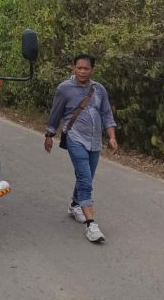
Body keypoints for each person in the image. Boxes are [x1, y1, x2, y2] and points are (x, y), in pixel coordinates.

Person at [43, 54, 117, 243]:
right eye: (79, 68)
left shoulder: (99, 89)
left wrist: (111, 136)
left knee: (88, 175)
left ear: (92, 69)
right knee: (85, 179)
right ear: (73, 68)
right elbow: (56, 113)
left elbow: (106, 113)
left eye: (86, 69)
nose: (82, 72)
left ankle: (75, 205)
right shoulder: (64, 89)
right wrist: (49, 135)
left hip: (95, 141)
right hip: (75, 138)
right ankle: (91, 225)